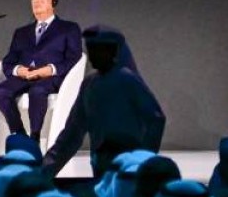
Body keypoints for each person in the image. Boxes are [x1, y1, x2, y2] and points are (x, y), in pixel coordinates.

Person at [42, 26, 166, 177]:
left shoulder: (127, 80)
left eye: (97, 49)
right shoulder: (90, 84)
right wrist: (44, 171)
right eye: (90, 49)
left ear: (112, 51)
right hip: (101, 164)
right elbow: (72, 133)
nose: (92, 55)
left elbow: (156, 119)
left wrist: (142, 159)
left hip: (128, 169)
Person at [0, 0, 82, 142]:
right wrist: (18, 70)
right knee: (1, 91)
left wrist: (50, 69)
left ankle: (35, 137)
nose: (36, 1)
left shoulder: (69, 28)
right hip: (25, 76)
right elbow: (9, 60)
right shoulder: (21, 32)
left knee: (38, 90)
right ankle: (19, 134)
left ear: (53, 1)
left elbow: (74, 58)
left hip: (51, 77)